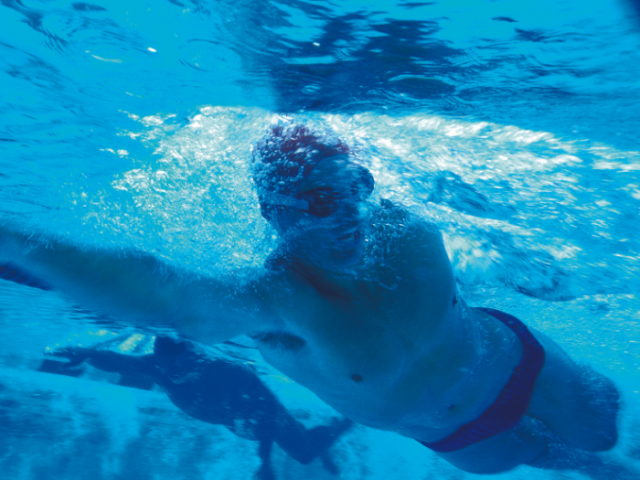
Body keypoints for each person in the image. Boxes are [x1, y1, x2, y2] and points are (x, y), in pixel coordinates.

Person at [0, 123, 628, 477]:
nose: (352, 212)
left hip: (519, 362)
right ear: (275, 215)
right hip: (456, 434)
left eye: (356, 186)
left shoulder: (410, 226)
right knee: (547, 456)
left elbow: (507, 239)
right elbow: (167, 295)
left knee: (602, 429)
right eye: (322, 202)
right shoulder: (276, 300)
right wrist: (18, 243)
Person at [42, 334, 352, 480]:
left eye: (178, 364)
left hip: (263, 415)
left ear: (193, 354)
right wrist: (84, 352)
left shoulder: (230, 372)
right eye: (166, 365)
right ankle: (322, 438)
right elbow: (118, 360)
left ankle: (341, 425)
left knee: (304, 454)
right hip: (235, 420)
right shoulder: (159, 367)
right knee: (305, 446)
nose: (173, 371)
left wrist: (265, 463)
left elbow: (268, 413)